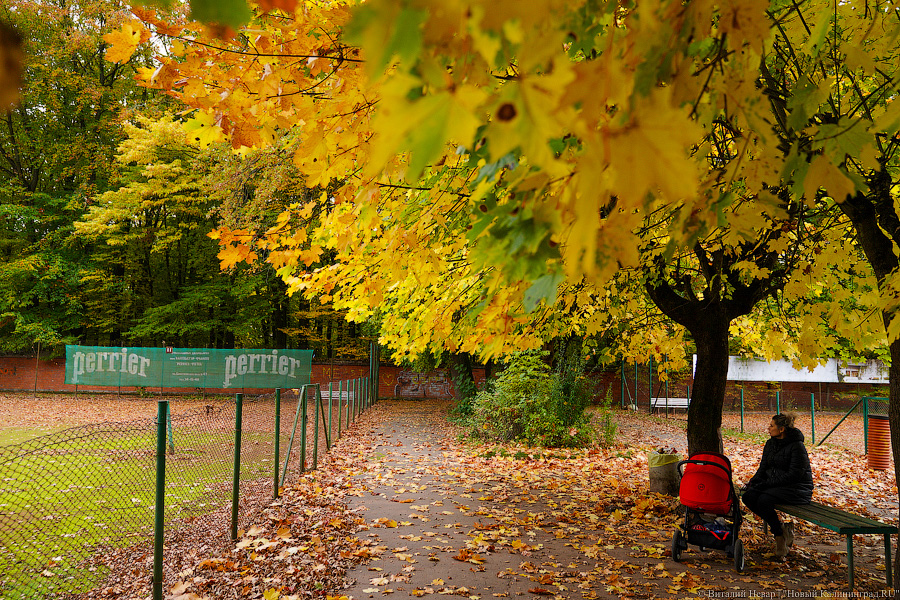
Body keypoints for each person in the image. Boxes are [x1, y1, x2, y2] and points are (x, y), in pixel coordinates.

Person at [741, 412, 814, 559]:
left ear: (781, 429)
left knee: (763, 500)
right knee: (748, 496)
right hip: (776, 486)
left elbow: (794, 475)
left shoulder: (797, 446)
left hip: (797, 489)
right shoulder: (770, 443)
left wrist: (766, 484)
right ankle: (781, 529)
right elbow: (763, 467)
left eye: (771, 425)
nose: (768, 428)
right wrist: (753, 482)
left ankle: (779, 537)